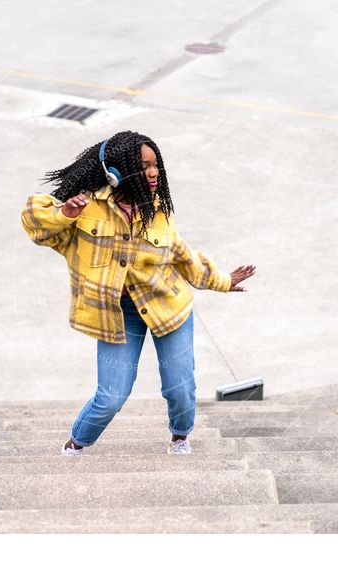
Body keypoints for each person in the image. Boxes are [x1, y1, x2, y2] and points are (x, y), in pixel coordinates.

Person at [20, 130, 256, 456]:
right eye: (144, 165)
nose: (154, 172)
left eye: (155, 164)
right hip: (117, 314)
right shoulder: (86, 209)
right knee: (111, 397)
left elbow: (182, 255)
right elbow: (34, 221)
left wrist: (223, 280)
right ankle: (75, 446)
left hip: (167, 306)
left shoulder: (156, 209)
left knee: (180, 388)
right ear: (116, 172)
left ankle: (180, 436)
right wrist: (65, 215)